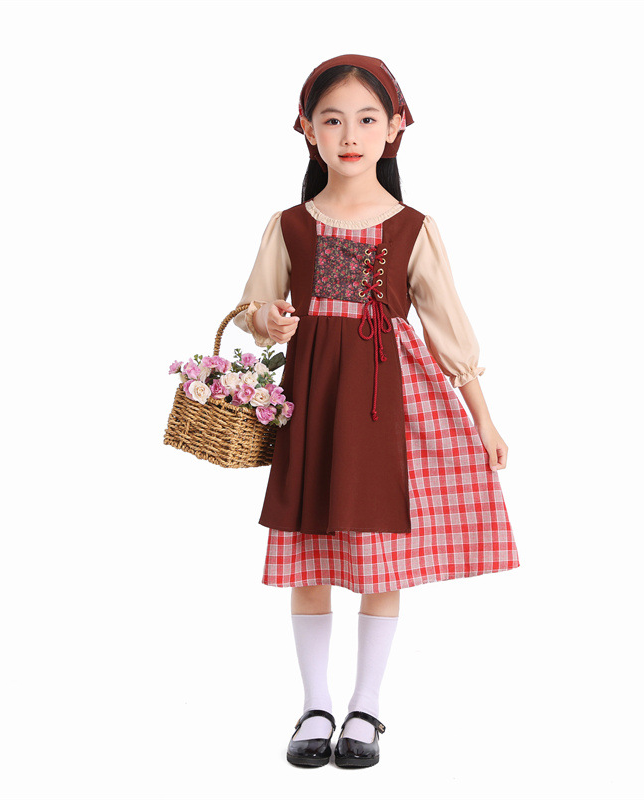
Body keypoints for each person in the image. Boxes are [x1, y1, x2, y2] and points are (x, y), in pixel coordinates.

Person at [232, 54, 520, 769]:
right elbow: (252, 306)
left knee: (379, 556)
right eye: (332, 120)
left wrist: (483, 417)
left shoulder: (412, 227)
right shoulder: (290, 225)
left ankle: (365, 706)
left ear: (394, 129)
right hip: (312, 402)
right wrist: (269, 320)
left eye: (366, 119)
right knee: (309, 552)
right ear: (308, 130)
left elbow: (448, 327)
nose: (350, 135)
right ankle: (314, 704)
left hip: (385, 405)